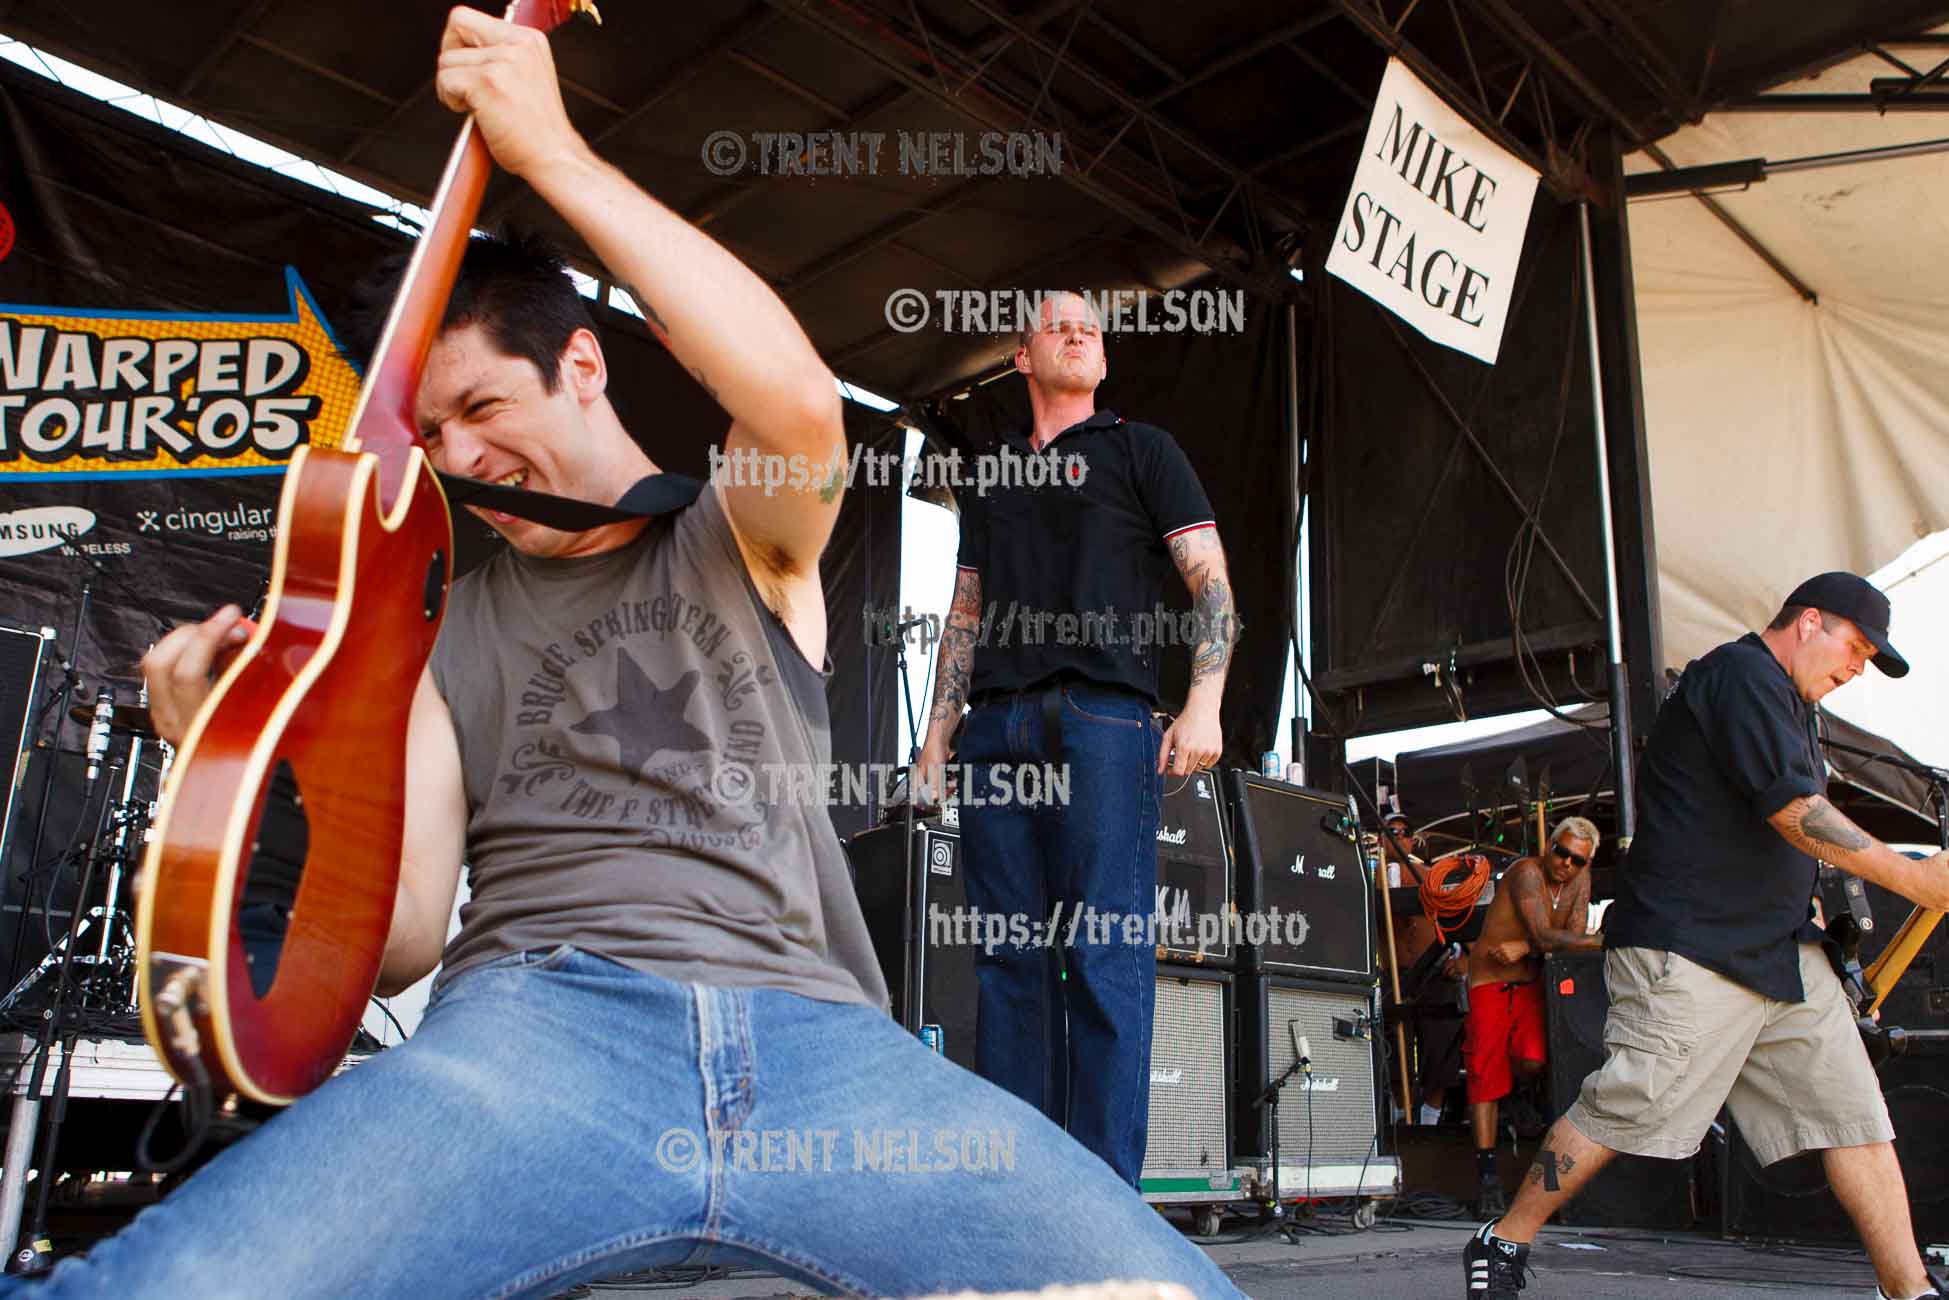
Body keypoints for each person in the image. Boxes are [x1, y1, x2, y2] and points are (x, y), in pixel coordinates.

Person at [12, 13, 1246, 1299]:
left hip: (817, 1039)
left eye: (484, 406)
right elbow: (397, 942)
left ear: (583, 365)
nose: (462, 460)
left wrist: (551, 155)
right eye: (432, 434)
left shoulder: (741, 532)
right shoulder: (442, 638)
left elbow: (797, 403)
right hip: (531, 1037)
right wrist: (239, 758)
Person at [1462, 572, 1949, 1300]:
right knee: (1628, 1106)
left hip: (1782, 957)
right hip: (1690, 948)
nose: (1856, 668)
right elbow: (1794, 812)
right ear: (1810, 622)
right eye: (1854, 647)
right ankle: (1504, 1239)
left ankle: (1908, 1289)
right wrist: (1913, 879)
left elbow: (1771, 836)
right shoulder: (1740, 675)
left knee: (1856, 1120)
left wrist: (1810, 911)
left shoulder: (1795, 708)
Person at [914, 290, 1237, 1189]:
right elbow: (967, 609)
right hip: (997, 724)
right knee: (1009, 958)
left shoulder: (1142, 450)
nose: (1079, 333)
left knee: (1104, 952)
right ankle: (1025, 1196)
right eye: (1058, 324)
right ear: (1022, 356)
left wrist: (1203, 701)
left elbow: (1210, 583)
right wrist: (935, 738)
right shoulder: (990, 473)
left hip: (1104, 720)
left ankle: (1104, 1203)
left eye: (1091, 327)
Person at [1460, 816, 1601, 1216]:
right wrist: (1599, 940)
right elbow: (1546, 935)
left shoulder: (1579, 881)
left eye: (1578, 860)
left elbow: (1562, 944)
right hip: (1490, 982)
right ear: (1550, 846)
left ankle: (1516, 1099)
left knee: (1535, 1059)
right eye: (1563, 853)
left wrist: (1525, 948)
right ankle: (1487, 1176)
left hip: (1531, 984)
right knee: (1485, 1079)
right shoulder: (1526, 872)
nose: (1568, 865)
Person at [1378, 812, 1465, 1127]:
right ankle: (1401, 1113)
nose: (1399, 836)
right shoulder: (1371, 873)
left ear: (1412, 840)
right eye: (1392, 831)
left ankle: (1431, 1113)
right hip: (1395, 975)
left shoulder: (1431, 874)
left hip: (1435, 970)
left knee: (1442, 1042)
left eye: (1404, 831)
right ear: (1381, 838)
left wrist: (1460, 955)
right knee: (1392, 1043)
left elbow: (1459, 920)